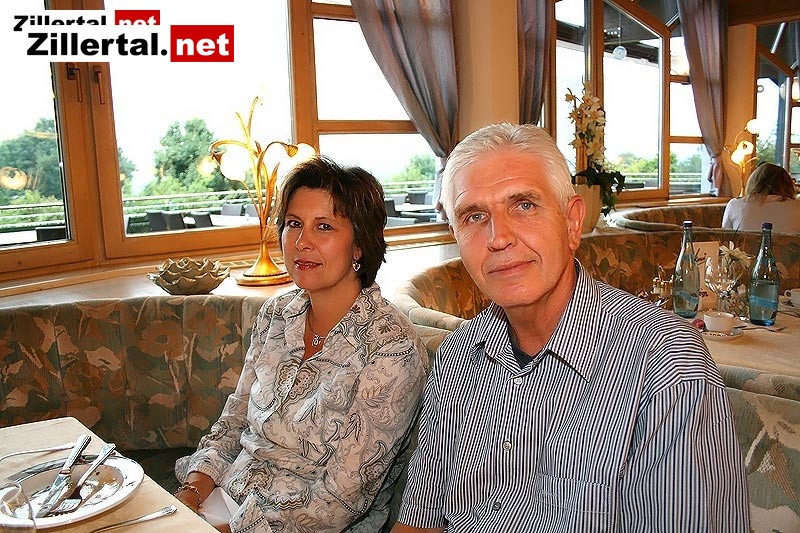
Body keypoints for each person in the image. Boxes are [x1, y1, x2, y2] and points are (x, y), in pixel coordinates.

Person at [393, 123, 750, 532]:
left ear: (572, 222)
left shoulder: (666, 365)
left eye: (524, 205)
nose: (498, 237)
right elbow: (420, 521)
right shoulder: (457, 359)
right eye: (475, 216)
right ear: (456, 235)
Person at [176, 156, 429, 533]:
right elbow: (234, 420)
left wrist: (226, 530)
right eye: (294, 224)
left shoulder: (391, 349)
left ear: (359, 246)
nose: (302, 242)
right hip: (224, 499)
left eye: (324, 227)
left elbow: (340, 501)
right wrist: (190, 494)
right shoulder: (277, 314)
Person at [722, 162, 800, 232]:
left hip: (746, 244)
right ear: (788, 184)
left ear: (753, 182)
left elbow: (724, 238)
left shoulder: (735, 205)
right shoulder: (797, 207)